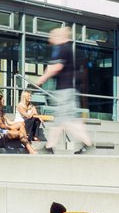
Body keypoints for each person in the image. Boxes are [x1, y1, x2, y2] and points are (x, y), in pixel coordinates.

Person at [36, 26, 94, 154]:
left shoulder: (62, 49)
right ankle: (49, 147)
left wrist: (41, 79)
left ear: (60, 37)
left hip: (64, 91)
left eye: (52, 36)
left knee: (66, 121)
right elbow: (52, 66)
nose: (50, 39)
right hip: (66, 90)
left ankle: (87, 143)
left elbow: (56, 67)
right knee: (62, 120)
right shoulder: (65, 49)